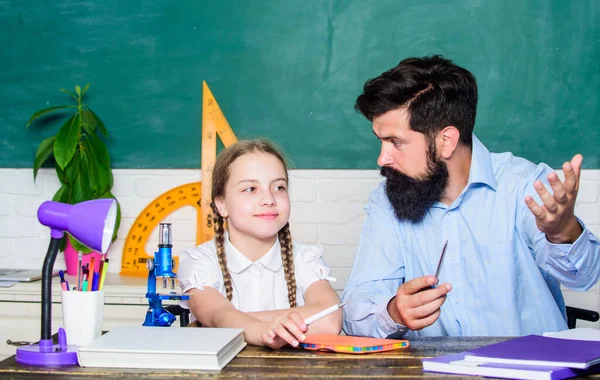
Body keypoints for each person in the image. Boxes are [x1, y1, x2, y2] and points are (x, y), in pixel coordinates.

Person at [342, 55, 600, 338]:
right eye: (380, 141)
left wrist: (563, 233)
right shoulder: (387, 201)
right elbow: (355, 309)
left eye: (395, 142)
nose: (382, 159)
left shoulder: (522, 185)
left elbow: (583, 277)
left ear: (446, 141)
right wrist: (393, 312)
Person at [178, 139, 342, 348]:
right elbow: (217, 314)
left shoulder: (305, 258)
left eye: (279, 187)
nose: (268, 199)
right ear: (222, 205)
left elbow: (330, 319)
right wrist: (268, 330)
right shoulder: (200, 261)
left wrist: (239, 322)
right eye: (250, 189)